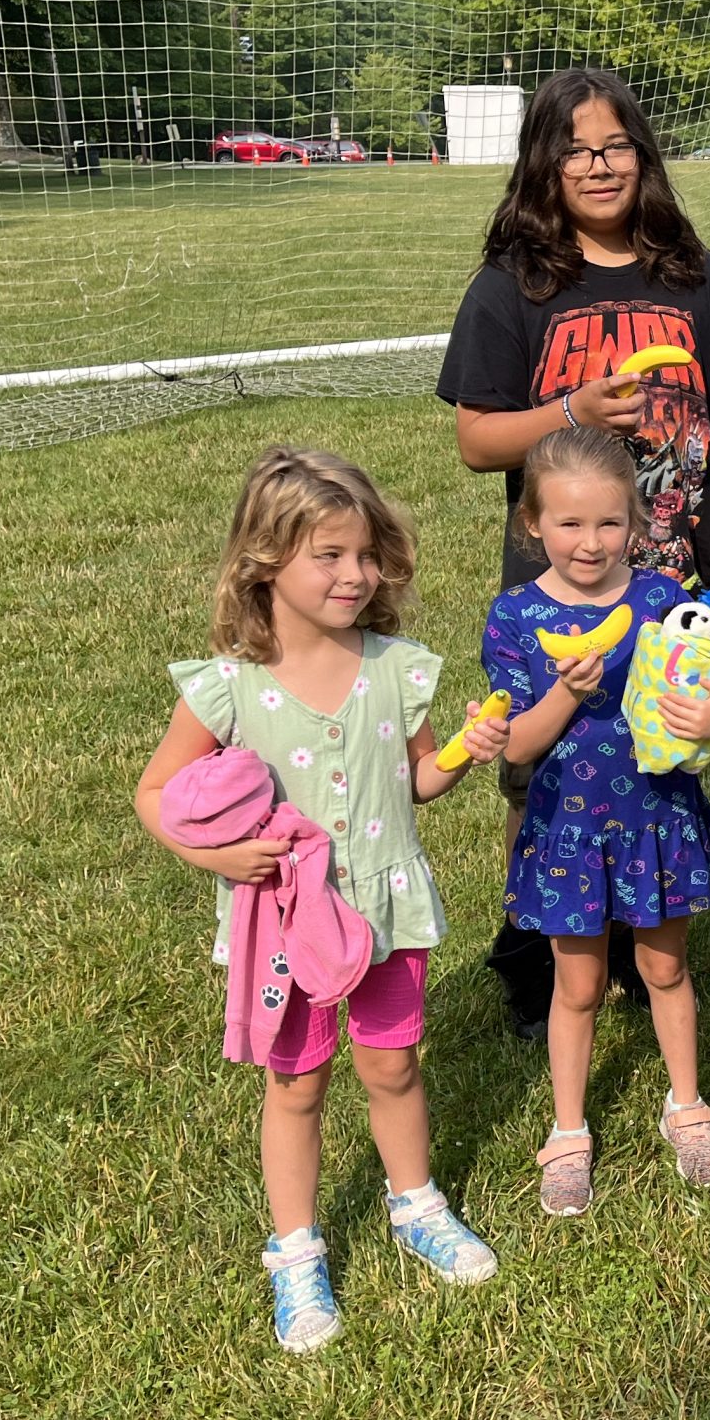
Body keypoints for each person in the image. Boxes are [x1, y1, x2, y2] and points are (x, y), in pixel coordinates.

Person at [136, 448, 508, 1355]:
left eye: (366, 555)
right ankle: (297, 1251)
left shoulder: (397, 668)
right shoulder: (228, 684)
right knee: (296, 1083)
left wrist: (464, 749)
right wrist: (218, 851)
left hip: (384, 910)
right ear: (265, 562)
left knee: (394, 1067)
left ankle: (415, 1204)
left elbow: (418, 780)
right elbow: (153, 796)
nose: (356, 574)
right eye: (330, 556)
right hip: (284, 928)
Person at [436, 66, 710, 1040]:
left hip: (673, 592)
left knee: (653, 757)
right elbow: (476, 440)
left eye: (615, 145)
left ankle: (641, 941)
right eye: (575, 148)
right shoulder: (513, 288)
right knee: (539, 775)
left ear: (643, 156)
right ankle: (534, 949)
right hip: (557, 600)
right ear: (544, 163)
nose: (597, 165)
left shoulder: (696, 280)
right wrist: (576, 411)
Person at [485, 426, 710, 1210]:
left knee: (664, 967)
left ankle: (687, 1105)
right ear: (533, 524)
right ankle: (568, 1130)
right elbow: (517, 742)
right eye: (568, 524)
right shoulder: (516, 616)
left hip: (655, 813)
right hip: (568, 824)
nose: (589, 543)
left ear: (636, 521)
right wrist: (567, 688)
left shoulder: (664, 599)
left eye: (607, 523)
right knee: (579, 984)